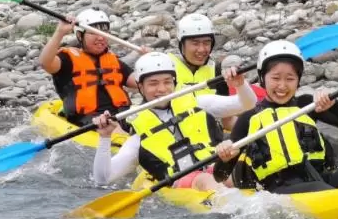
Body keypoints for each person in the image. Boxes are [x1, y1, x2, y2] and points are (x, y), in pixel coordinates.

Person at [213, 40, 338, 194]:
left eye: (290, 79)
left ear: (298, 81)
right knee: (321, 188)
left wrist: (333, 105)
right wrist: (224, 157)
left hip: (319, 176)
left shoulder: (306, 104)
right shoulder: (250, 118)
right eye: (275, 78)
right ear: (262, 78)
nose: (282, 86)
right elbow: (220, 175)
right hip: (279, 189)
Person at [91, 52, 256, 191]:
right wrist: (105, 137)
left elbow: (247, 104)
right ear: (140, 87)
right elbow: (103, 179)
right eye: (153, 84)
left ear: (175, 82)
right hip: (184, 182)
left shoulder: (198, 102)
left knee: (238, 171)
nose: (162, 89)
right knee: (205, 180)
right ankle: (235, 207)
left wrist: (240, 85)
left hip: (216, 168)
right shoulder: (139, 135)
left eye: (167, 82)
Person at [38, 8, 140, 129]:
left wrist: (151, 62)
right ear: (80, 35)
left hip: (122, 116)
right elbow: (45, 63)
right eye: (93, 32)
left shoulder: (113, 61)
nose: (101, 37)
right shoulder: (67, 60)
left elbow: (141, 83)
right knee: (114, 129)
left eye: (104, 32)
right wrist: (60, 33)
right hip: (88, 121)